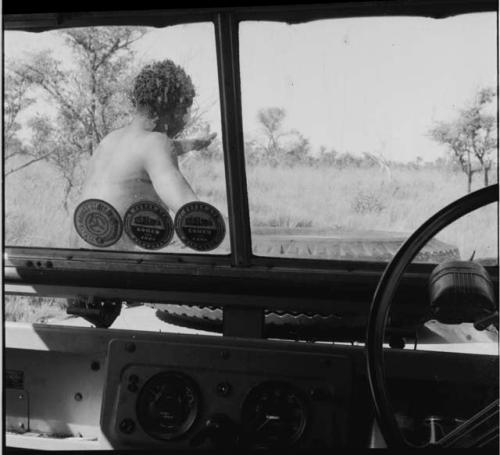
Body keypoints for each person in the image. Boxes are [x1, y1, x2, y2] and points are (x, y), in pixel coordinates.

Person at [75, 59, 216, 249]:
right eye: (184, 110)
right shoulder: (156, 143)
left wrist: (195, 143)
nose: (184, 118)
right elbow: (190, 213)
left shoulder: (110, 140)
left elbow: (152, 152)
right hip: (116, 270)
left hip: (80, 262)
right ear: (173, 111)